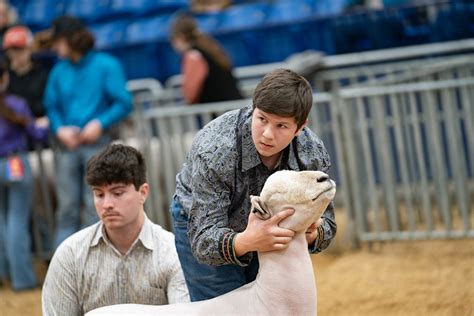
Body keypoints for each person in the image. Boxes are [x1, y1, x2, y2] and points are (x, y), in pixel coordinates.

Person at [171, 68, 337, 301]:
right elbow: (203, 241)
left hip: (268, 230)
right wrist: (247, 241)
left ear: (300, 128)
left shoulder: (311, 154)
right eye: (262, 119)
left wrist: (313, 231)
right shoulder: (215, 149)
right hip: (200, 220)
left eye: (281, 126)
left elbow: (327, 225)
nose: (267, 134)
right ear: (252, 109)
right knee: (225, 307)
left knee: (274, 306)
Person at [42, 144, 190, 315]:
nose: (107, 205)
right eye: (99, 194)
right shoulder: (70, 254)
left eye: (118, 193)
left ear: (143, 192)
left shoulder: (171, 252)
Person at [43, 16, 132, 248]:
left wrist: (99, 123)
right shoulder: (58, 71)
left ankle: (95, 262)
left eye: (58, 41)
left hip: (98, 144)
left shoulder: (106, 65)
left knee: (98, 206)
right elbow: (51, 106)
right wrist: (59, 128)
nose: (54, 47)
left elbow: (123, 102)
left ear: (71, 40)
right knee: (66, 208)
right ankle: (63, 267)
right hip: (67, 146)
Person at [0, 58, 48, 291]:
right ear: (5, 78)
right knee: (17, 220)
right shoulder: (15, 104)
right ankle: (23, 279)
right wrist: (45, 126)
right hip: (14, 162)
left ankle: (4, 273)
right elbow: (36, 134)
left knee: (2, 221)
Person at [170, 13, 242, 105]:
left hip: (218, 111)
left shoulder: (193, 55)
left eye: (173, 40)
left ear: (181, 37)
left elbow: (191, 92)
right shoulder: (211, 48)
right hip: (232, 107)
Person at [3, 25, 49, 124]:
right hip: (8, 124)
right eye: (12, 50)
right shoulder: (3, 75)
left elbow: (47, 105)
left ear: (30, 48)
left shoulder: (42, 75)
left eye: (20, 49)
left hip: (36, 123)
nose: (16, 54)